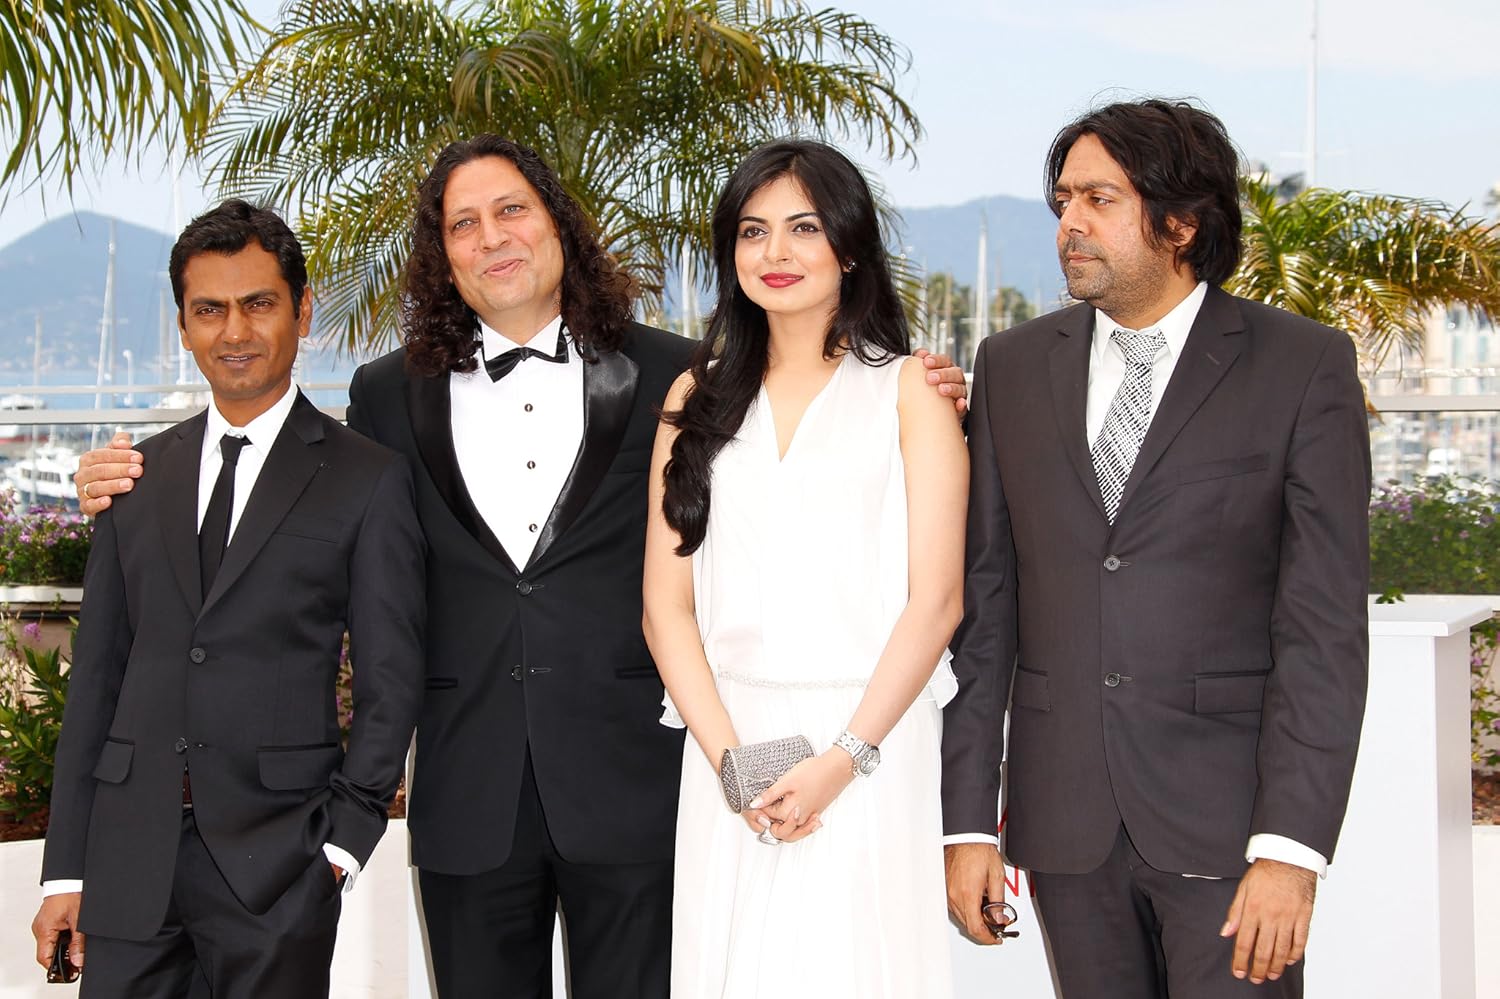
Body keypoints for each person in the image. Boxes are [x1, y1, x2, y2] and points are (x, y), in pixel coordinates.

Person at [73, 135, 970, 998]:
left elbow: (798, 443)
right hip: (467, 792)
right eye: (463, 223)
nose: (491, 237)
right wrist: (127, 479)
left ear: (558, 223)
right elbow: (302, 513)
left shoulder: (677, 374)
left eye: (512, 210)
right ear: (442, 254)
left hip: (640, 786)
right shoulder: (385, 393)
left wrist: (927, 391)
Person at [941, 98, 1371, 998]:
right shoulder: (1010, 366)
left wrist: (1291, 849)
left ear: (1181, 222)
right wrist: (969, 823)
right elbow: (987, 610)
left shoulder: (1301, 365)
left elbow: (1323, 628)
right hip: (1066, 824)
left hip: (1232, 830)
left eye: (1099, 199)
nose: (1069, 223)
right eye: (1063, 200)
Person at [31, 200, 426, 999]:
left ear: (301, 311)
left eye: (258, 303)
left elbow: (392, 680)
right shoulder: (135, 479)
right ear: (183, 325)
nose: (234, 331)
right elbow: (97, 680)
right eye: (209, 309)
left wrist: (341, 847)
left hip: (281, 870)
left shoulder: (366, 478)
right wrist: (64, 869)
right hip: (128, 866)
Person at [642, 138, 967, 998]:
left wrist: (842, 758)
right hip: (729, 742)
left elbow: (936, 601)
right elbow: (665, 607)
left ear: (849, 248)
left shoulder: (911, 390)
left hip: (871, 740)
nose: (775, 252)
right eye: (752, 232)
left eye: (804, 228)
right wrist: (734, 766)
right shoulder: (694, 396)